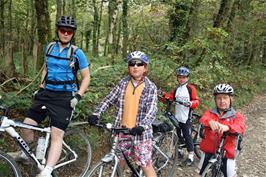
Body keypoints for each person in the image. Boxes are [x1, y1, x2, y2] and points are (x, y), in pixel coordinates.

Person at [9, 16, 90, 177]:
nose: (66, 34)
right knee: (26, 126)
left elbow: (87, 77)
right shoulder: (50, 48)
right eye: (63, 30)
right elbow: (46, 68)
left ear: (73, 34)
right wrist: (41, 86)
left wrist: (78, 96)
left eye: (69, 32)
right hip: (46, 94)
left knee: (56, 135)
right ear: (58, 31)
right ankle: (26, 154)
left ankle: (47, 171)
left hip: (65, 97)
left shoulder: (77, 53)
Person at [88, 51, 158, 177]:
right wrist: (96, 113)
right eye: (132, 64)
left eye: (139, 64)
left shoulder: (150, 87)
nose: (135, 67)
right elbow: (109, 99)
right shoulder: (123, 83)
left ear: (145, 67)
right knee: (119, 163)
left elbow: (152, 110)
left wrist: (142, 126)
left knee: (145, 165)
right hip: (122, 131)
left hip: (141, 134)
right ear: (128, 67)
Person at [198, 84, 245, 177]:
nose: (222, 101)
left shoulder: (236, 116)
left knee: (230, 174)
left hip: (227, 153)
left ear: (230, 99)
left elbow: (240, 127)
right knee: (201, 173)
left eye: (225, 98)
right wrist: (210, 121)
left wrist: (227, 127)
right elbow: (203, 119)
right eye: (219, 98)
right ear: (215, 99)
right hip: (209, 150)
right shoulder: (210, 113)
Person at [159, 66, 200, 166]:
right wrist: (162, 95)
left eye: (184, 77)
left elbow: (196, 101)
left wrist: (190, 103)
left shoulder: (190, 88)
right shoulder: (177, 88)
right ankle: (180, 151)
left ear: (187, 78)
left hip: (186, 116)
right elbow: (170, 98)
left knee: (187, 135)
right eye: (180, 77)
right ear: (177, 78)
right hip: (178, 116)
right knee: (178, 133)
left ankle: (190, 156)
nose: (182, 79)